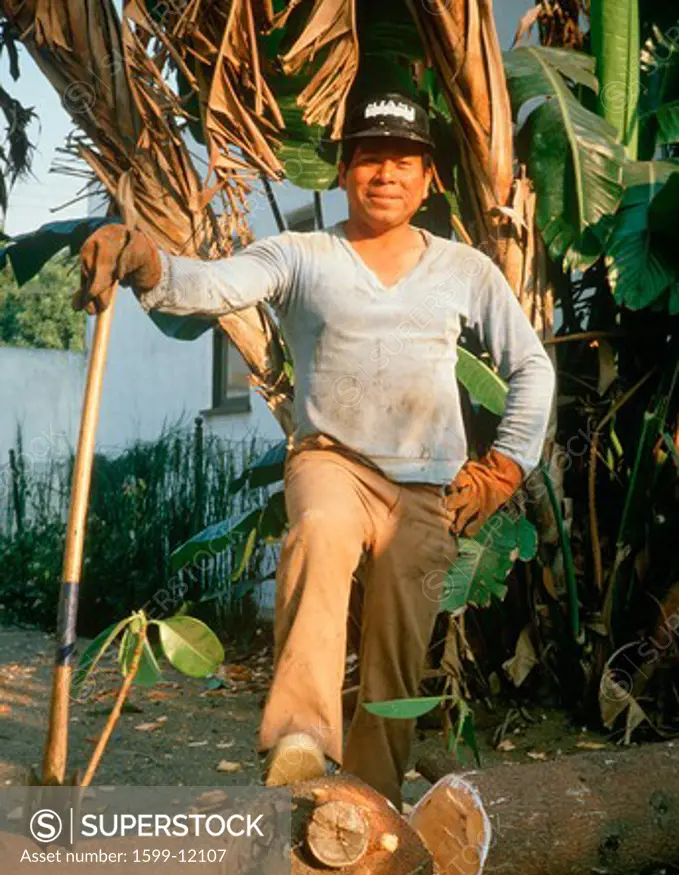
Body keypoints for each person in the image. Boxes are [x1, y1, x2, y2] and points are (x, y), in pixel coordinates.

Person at [74, 92, 555, 811]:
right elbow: (211, 285)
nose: (384, 175)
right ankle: (298, 738)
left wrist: (504, 468)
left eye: (402, 162)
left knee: (398, 646)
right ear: (342, 171)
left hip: (430, 488)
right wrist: (144, 259)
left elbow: (531, 366)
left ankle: (369, 808)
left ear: (428, 180)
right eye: (369, 159)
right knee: (322, 535)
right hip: (331, 461)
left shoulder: (465, 270)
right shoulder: (299, 254)